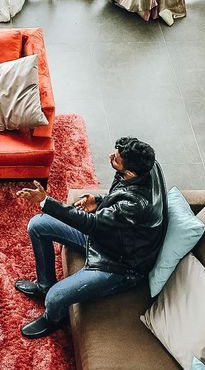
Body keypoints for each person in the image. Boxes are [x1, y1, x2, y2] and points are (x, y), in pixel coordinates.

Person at [12, 136, 167, 339]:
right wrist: (99, 200)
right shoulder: (147, 166)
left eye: (116, 159)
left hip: (120, 265)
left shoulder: (137, 206)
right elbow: (122, 196)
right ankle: (44, 285)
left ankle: (54, 318)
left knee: (55, 297)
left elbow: (91, 223)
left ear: (129, 172)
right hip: (108, 236)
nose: (111, 156)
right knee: (37, 225)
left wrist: (45, 201)